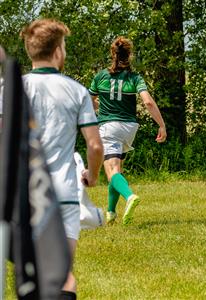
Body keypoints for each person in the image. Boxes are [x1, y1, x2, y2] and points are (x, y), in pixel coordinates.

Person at [20, 19, 104, 300]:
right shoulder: (76, 90)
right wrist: (92, 176)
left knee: (29, 273)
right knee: (63, 273)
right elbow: (94, 145)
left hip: (24, 192)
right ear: (57, 51)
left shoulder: (10, 88)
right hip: (64, 192)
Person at [89, 36, 167, 225]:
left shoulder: (101, 76)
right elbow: (147, 101)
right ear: (129, 55)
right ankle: (111, 213)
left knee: (111, 171)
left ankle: (130, 196)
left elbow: (88, 102)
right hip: (129, 128)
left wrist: (102, 105)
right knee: (117, 169)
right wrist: (162, 124)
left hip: (109, 127)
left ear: (112, 53)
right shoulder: (135, 78)